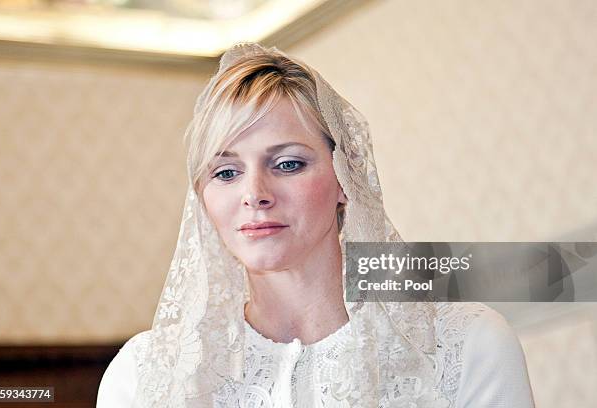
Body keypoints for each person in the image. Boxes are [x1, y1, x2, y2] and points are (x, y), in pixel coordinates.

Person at [96, 42, 535, 407]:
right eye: (225, 173)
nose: (255, 193)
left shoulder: (466, 346)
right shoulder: (143, 375)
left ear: (347, 177)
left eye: (287, 164)